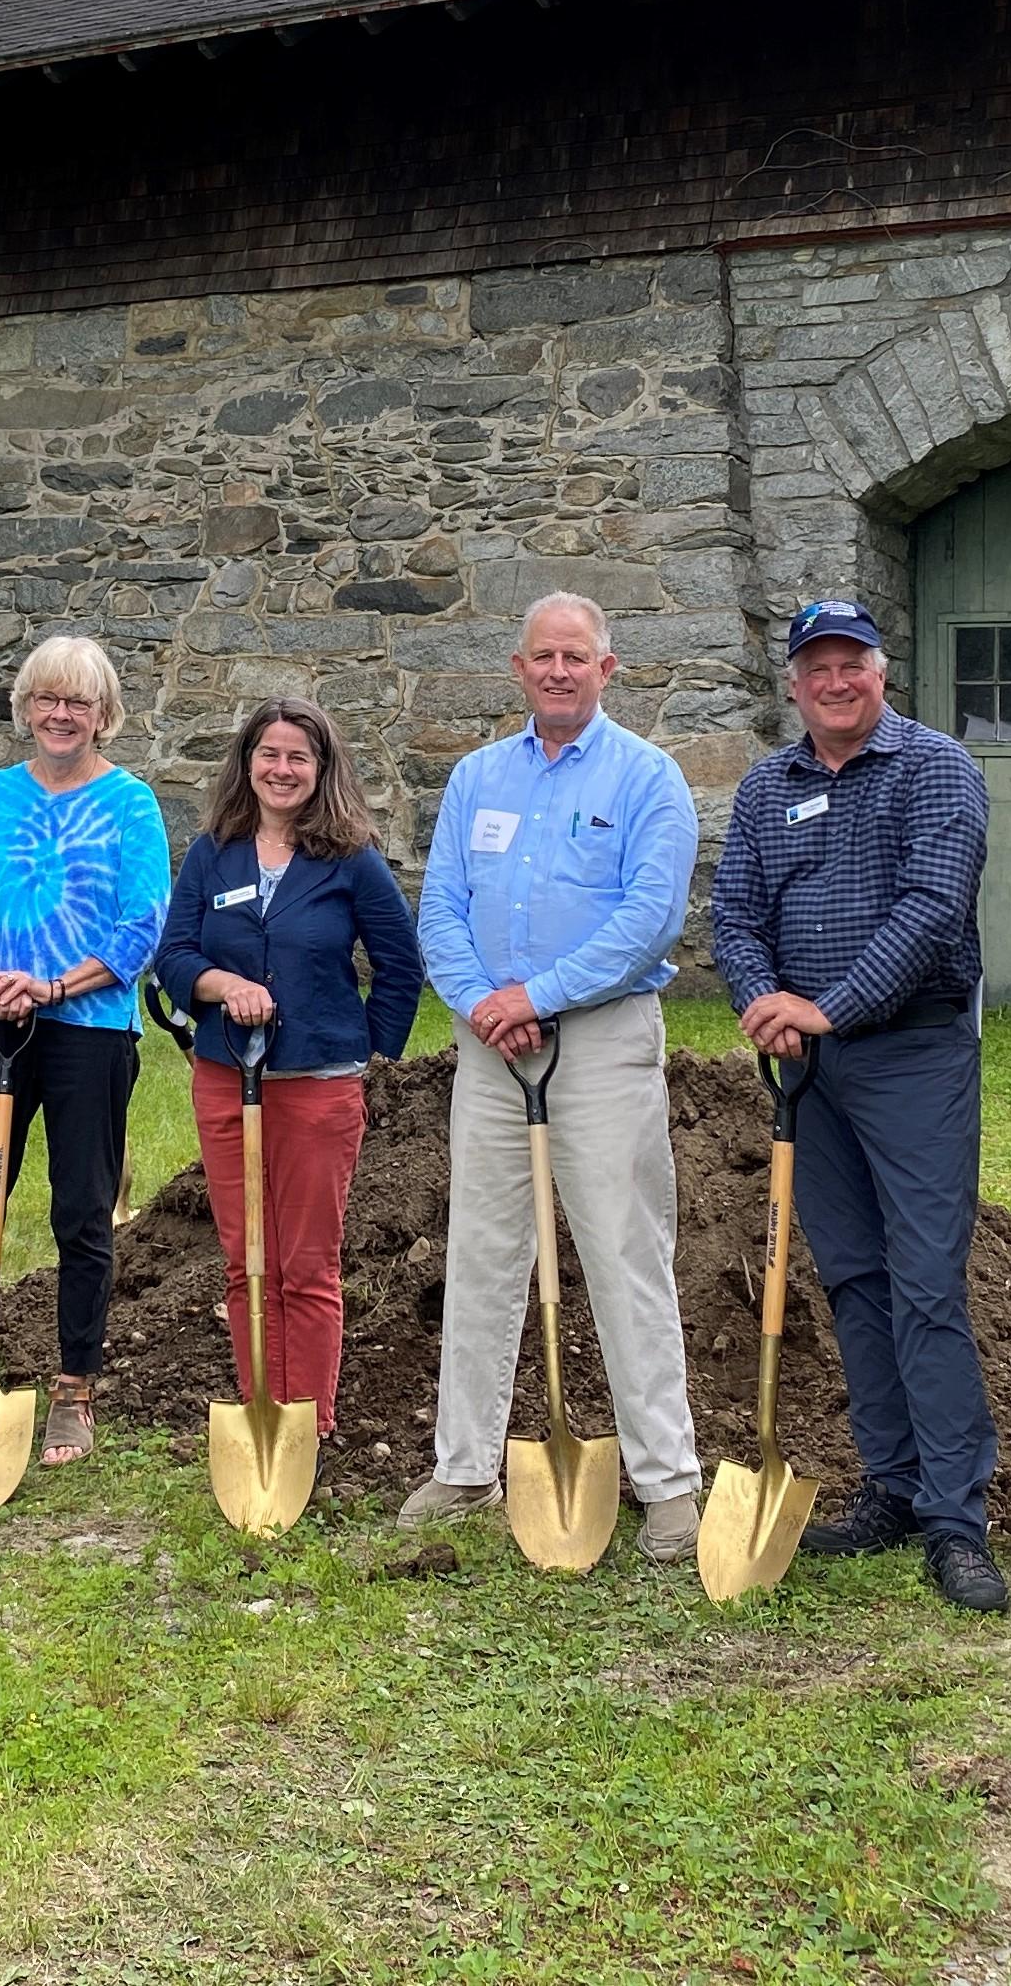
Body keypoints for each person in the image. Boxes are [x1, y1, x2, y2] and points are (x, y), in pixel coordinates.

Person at [711, 598, 1009, 1614]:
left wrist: (827, 1007)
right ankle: (891, 1486)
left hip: (913, 1055)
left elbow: (931, 911)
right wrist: (762, 1002)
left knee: (926, 1281)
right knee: (854, 1280)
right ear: (793, 684)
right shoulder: (766, 787)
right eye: (817, 668)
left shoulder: (937, 772)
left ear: (885, 672)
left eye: (854, 664)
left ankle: (957, 1521)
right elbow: (736, 914)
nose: (836, 682)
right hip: (810, 1072)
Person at [405, 591, 705, 1562]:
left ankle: (666, 1484)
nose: (561, 671)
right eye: (544, 657)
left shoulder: (648, 779)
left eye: (578, 657)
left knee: (624, 1253)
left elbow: (650, 919)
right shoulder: (477, 780)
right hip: (492, 1046)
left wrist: (539, 993)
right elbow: (442, 903)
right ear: (520, 668)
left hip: (602, 1042)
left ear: (608, 669)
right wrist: (486, 999)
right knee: (483, 1250)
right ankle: (464, 1466)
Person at [154, 698, 425, 1439]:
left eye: (297, 757)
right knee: (246, 1261)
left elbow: (401, 964)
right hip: (224, 1077)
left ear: (321, 769)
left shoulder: (352, 858)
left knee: (306, 1265)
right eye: (269, 754)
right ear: (247, 764)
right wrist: (224, 986)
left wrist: (368, 1050)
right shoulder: (215, 851)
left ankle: (311, 1421)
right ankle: (258, 1412)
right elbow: (174, 955)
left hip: (316, 1085)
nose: (282, 769)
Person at [0, 634, 171, 1467]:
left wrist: (54, 985)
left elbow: (142, 925)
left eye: (78, 701)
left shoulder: (132, 804)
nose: (61, 714)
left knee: (82, 1209)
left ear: (104, 715)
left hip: (89, 1028)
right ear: (25, 708)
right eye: (47, 699)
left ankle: (75, 1390)